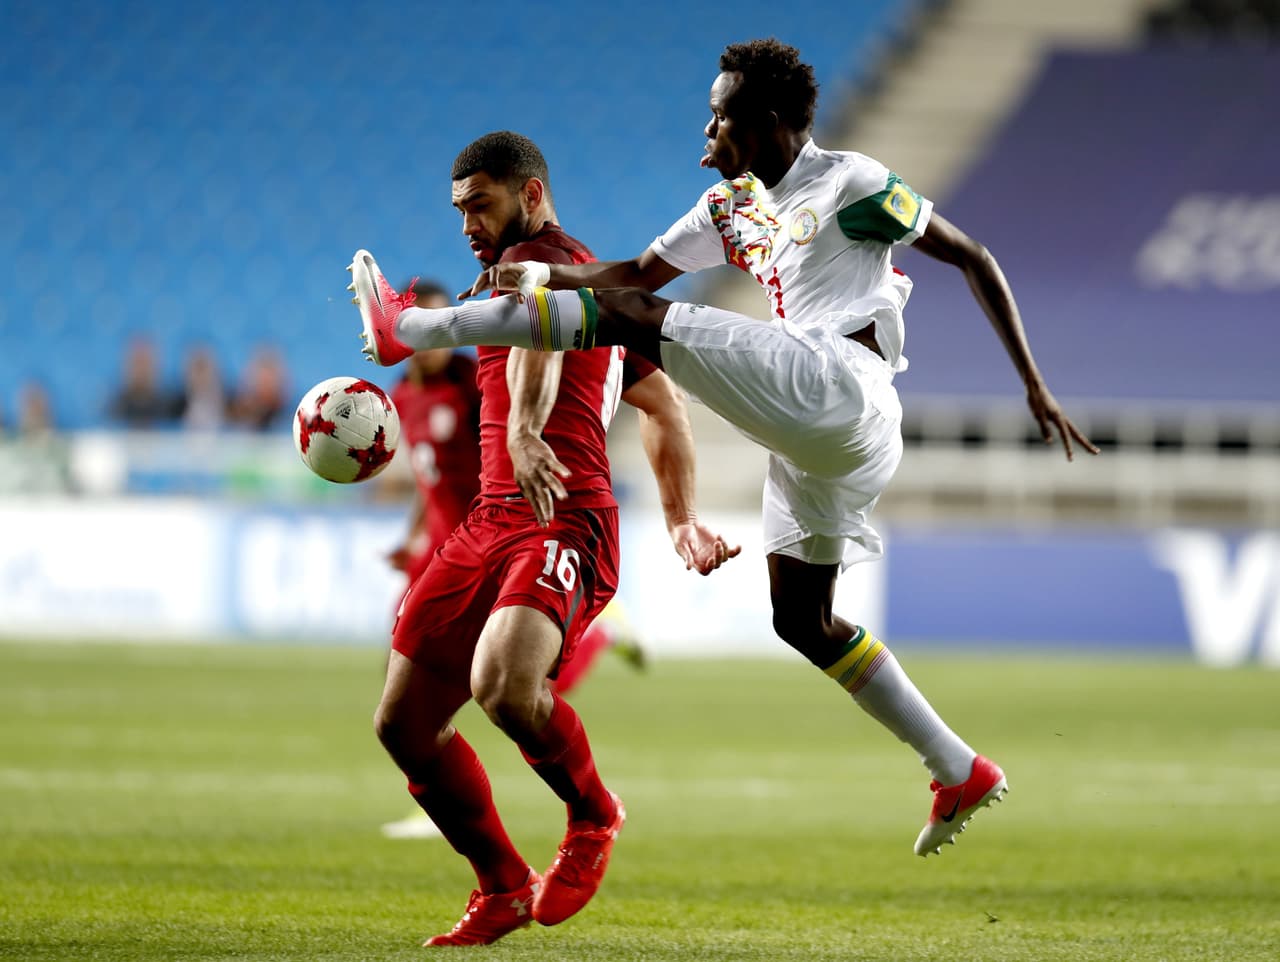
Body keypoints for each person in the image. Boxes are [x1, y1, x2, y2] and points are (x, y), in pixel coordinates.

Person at [348, 39, 1099, 860]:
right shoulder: (729, 207)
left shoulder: (853, 184)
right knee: (801, 620)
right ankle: (958, 767)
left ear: (770, 121)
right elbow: (632, 271)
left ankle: (406, 330)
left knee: (637, 318)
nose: (707, 129)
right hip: (815, 434)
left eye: (721, 114)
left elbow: (972, 256)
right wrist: (536, 284)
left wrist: (1033, 383)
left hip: (843, 386)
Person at [353, 131, 736, 945]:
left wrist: (673, 515)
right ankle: (500, 885)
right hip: (488, 521)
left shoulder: (557, 268)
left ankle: (594, 816)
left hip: (566, 515)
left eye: (479, 203)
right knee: (402, 725)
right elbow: (661, 406)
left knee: (503, 684)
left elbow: (544, 331)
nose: (465, 222)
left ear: (529, 195)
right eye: (457, 208)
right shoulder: (500, 284)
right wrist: (680, 518)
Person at [379, 280, 649, 843]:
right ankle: (473, 840)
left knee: (511, 679)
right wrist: (409, 535)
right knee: (412, 676)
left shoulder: (470, 384)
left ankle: (599, 641)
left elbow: (514, 430)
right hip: (449, 538)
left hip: (505, 527)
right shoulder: (402, 396)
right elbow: (425, 475)